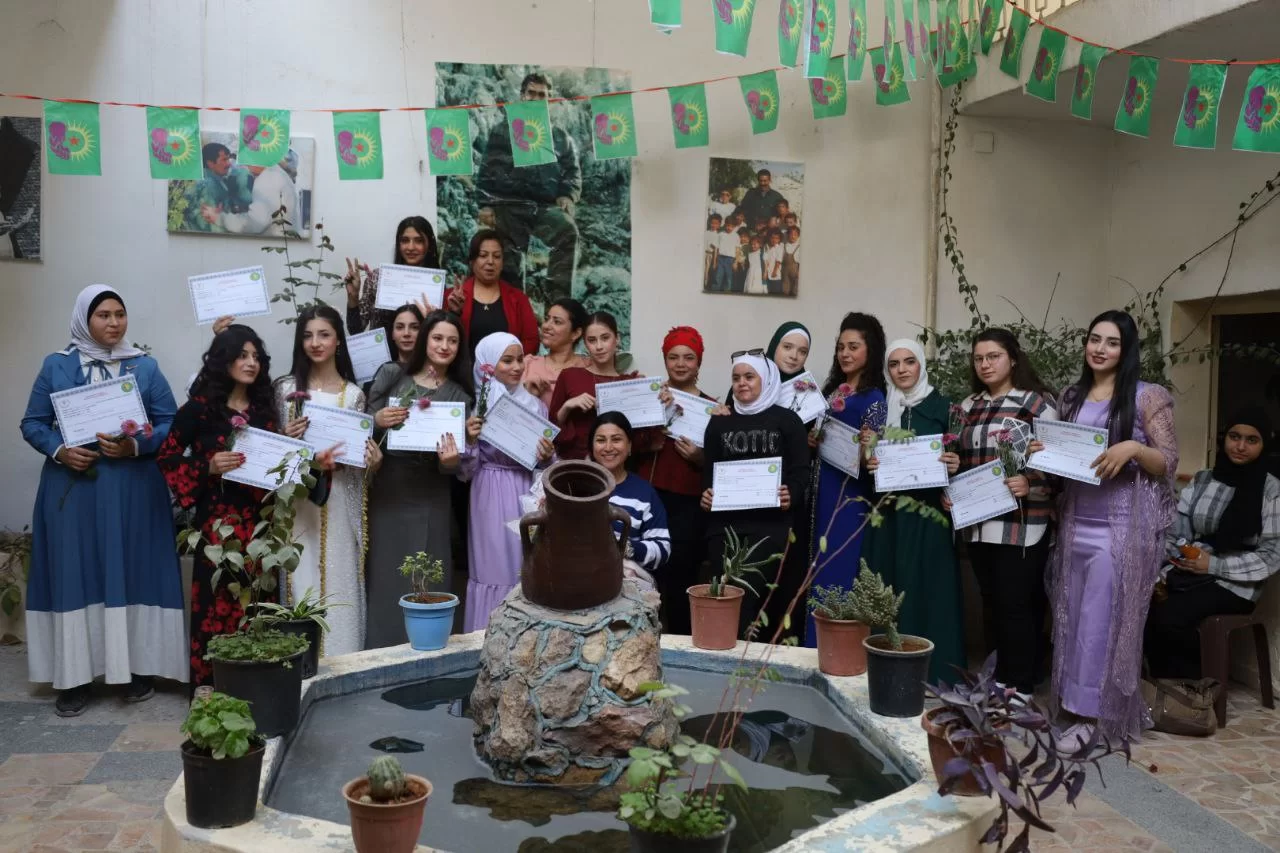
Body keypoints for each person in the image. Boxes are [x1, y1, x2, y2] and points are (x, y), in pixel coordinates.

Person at [22, 285, 186, 715]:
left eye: (119, 314)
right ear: (84, 319)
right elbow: (33, 422)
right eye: (103, 315)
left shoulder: (144, 367)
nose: (114, 323)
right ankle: (74, 677)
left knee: (132, 570)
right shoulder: (56, 365)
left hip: (133, 490)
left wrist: (136, 446)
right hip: (73, 490)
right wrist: (60, 450)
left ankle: (136, 669)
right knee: (76, 573)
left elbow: (171, 423)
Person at [1038, 310, 1177, 745]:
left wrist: (1134, 447)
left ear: (1126, 349)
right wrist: (1044, 451)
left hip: (1120, 528)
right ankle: (1072, 704)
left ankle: (1095, 719)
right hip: (1076, 520)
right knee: (1072, 618)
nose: (1100, 349)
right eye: (1094, 339)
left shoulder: (1147, 396)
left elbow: (1168, 461)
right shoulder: (1072, 395)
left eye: (1112, 342)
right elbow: (1066, 456)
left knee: (1101, 623)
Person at [946, 328, 1057, 700]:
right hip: (978, 523)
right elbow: (959, 460)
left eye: (993, 356)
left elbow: (1058, 459)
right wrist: (950, 482)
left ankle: (1020, 687)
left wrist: (1031, 481)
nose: (985, 364)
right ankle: (999, 680)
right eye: (979, 358)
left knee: (1016, 604)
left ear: (1012, 358)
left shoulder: (1036, 404)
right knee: (992, 602)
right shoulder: (966, 407)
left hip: (1022, 523)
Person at [274, 306, 380, 657]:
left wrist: (371, 462)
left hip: (339, 501)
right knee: (300, 573)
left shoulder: (353, 395)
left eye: (324, 334)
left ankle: (341, 661)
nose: (315, 343)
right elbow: (272, 458)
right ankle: (300, 666)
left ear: (338, 341)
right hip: (298, 504)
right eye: (307, 335)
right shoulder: (286, 390)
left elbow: (357, 457)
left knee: (339, 577)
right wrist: (286, 438)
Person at [363, 311, 472, 649]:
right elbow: (361, 425)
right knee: (386, 574)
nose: (444, 346)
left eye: (452, 340)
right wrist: (377, 420)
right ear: (425, 339)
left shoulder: (460, 396)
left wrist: (451, 463)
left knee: (428, 577)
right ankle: (380, 653)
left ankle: (425, 653)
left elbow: (454, 464)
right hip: (390, 488)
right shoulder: (392, 375)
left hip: (431, 494)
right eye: (438, 338)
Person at [1145, 407, 1280, 679]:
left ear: (1264, 444)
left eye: (1252, 440)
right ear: (1224, 438)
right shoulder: (1204, 478)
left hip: (1236, 584)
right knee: (1142, 607)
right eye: (1234, 436)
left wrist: (1213, 565)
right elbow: (1177, 533)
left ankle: (1195, 688)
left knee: (1169, 617)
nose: (1240, 446)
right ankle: (1164, 688)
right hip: (1190, 572)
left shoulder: (1271, 488)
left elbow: (1271, 555)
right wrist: (1152, 568)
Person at [862, 339, 965, 681]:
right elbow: (865, 462)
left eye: (909, 362)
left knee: (929, 588)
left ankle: (935, 672)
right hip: (889, 515)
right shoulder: (881, 410)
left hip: (927, 516)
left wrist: (955, 464)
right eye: (894, 364)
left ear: (921, 365)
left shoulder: (944, 407)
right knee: (888, 588)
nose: (902, 369)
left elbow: (959, 459)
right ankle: (888, 668)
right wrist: (869, 461)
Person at [701, 352, 810, 641]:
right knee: (726, 597)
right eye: (736, 378)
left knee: (756, 599)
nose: (742, 383)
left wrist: (791, 493)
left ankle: (752, 658)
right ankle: (730, 656)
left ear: (766, 380)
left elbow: (801, 470)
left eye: (749, 377)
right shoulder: (719, 422)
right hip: (725, 529)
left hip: (771, 528)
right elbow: (708, 472)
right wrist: (706, 494)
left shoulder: (788, 421)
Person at [458, 333, 554, 631]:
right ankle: (485, 635)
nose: (516, 367)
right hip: (489, 491)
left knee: (524, 562)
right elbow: (466, 470)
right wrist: (469, 440)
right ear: (487, 364)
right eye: (507, 360)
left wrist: (547, 456)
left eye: (520, 359)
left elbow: (546, 464)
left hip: (526, 490)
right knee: (492, 567)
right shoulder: (477, 408)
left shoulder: (537, 406)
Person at [806, 313, 888, 647]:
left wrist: (868, 447)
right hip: (821, 491)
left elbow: (873, 460)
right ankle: (811, 646)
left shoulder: (874, 398)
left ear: (871, 350)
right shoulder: (832, 391)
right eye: (841, 347)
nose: (845, 353)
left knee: (838, 566)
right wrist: (813, 440)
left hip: (848, 496)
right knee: (816, 567)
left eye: (853, 347)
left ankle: (834, 649)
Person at [634, 327, 715, 633]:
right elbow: (625, 443)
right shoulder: (650, 396)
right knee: (644, 575)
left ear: (699, 362)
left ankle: (679, 642)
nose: (681, 364)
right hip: (649, 498)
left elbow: (721, 462)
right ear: (665, 359)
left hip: (689, 504)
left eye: (688, 357)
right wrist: (650, 438)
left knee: (682, 578)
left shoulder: (712, 408)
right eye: (673, 357)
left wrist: (700, 457)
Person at [476, 72, 581, 300]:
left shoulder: (560, 137)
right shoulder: (503, 131)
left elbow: (572, 171)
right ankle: (516, 311)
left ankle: (558, 306)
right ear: (522, 96)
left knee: (567, 232)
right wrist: (486, 204)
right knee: (510, 263)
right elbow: (487, 171)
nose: (536, 99)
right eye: (531, 93)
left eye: (542, 95)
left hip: (544, 207)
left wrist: (567, 195)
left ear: (549, 100)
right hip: (509, 206)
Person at [590, 412, 672, 584]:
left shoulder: (644, 493)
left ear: (629, 446)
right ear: (592, 446)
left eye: (616, 439)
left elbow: (663, 549)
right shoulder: (575, 485)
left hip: (625, 584)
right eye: (601, 440)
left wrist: (625, 547)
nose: (608, 447)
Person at [548, 311, 639, 460]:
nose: (599, 346)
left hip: (617, 465)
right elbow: (550, 431)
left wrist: (659, 401)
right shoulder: (569, 376)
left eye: (605, 338)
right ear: (585, 344)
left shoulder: (629, 383)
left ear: (617, 338)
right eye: (592, 340)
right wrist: (567, 406)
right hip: (575, 464)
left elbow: (641, 437)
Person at [443, 229, 540, 356]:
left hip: (506, 368)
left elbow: (531, 340)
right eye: (483, 255)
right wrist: (454, 313)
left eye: (497, 256)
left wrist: (511, 361)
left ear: (502, 262)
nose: (490, 261)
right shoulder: (452, 296)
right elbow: (441, 337)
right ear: (472, 261)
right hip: (464, 368)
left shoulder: (518, 298)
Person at [345, 216, 442, 335]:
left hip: (422, 347)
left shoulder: (437, 286)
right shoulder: (377, 279)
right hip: (382, 347)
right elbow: (355, 330)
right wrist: (353, 297)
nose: (411, 247)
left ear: (429, 244)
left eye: (419, 241)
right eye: (405, 240)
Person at [213, 150, 299, 237]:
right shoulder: (276, 174)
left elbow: (255, 223)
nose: (245, 165)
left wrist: (220, 218)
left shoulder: (269, 179)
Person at [523, 297, 589, 407]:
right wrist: (526, 394)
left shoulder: (589, 367)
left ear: (576, 333)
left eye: (557, 322)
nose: (545, 326)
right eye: (547, 319)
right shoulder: (528, 364)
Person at [712, 218, 739, 293]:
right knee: (718, 277)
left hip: (730, 260)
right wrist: (714, 262)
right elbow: (716, 249)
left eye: (732, 226)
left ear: (734, 227)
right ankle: (714, 293)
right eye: (728, 226)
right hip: (720, 259)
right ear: (725, 225)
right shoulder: (720, 234)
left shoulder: (736, 236)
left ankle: (727, 293)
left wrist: (736, 262)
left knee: (728, 278)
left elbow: (737, 250)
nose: (729, 228)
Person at [703, 213, 723, 290]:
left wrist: (714, 262)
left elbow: (715, 249)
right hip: (703, 254)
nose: (713, 225)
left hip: (711, 256)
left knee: (708, 272)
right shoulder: (705, 232)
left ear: (719, 225)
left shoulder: (718, 235)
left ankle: (706, 287)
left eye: (716, 223)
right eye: (712, 223)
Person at [763, 230, 785, 296]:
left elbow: (778, 261)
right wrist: (765, 272)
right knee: (769, 292)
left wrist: (774, 271)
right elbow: (766, 261)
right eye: (772, 238)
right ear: (769, 238)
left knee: (776, 293)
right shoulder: (768, 248)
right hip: (768, 274)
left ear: (779, 239)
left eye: (776, 238)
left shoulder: (779, 248)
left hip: (776, 275)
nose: (774, 240)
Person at [782, 225, 801, 297]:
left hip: (795, 272)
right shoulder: (784, 245)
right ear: (788, 235)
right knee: (785, 290)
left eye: (795, 235)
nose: (793, 236)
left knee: (794, 291)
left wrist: (799, 271)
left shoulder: (799, 246)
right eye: (791, 234)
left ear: (798, 236)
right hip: (785, 272)